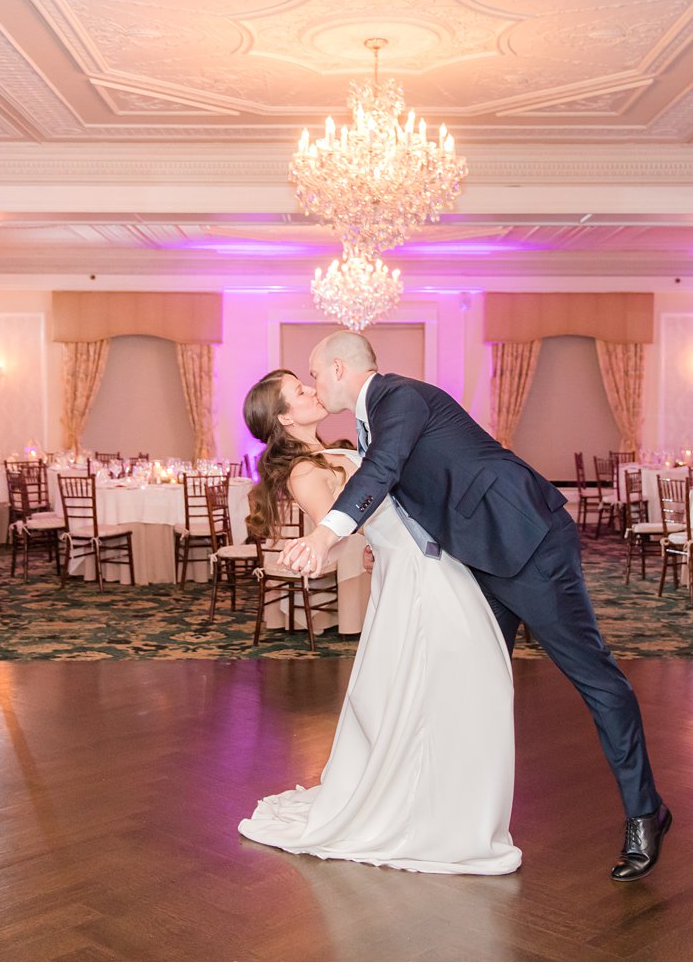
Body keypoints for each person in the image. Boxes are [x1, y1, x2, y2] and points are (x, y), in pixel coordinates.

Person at [279, 331, 671, 882]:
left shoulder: (400, 397)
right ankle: (454, 820)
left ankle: (644, 812)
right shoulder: (373, 421)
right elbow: (421, 486)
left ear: (339, 368)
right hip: (476, 559)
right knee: (472, 682)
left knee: (594, 677)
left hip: (529, 544)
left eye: (315, 374)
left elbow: (385, 468)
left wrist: (324, 535)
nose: (314, 385)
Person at [236, 369, 520, 875]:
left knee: (462, 678)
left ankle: (448, 795)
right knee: (446, 678)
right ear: (284, 417)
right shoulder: (302, 471)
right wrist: (345, 547)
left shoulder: (336, 447)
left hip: (428, 560)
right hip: (411, 570)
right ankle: (429, 804)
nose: (311, 390)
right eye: (299, 392)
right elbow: (342, 528)